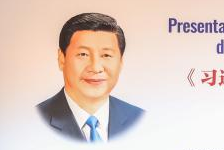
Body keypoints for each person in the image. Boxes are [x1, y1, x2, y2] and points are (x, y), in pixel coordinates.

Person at [37, 12, 144, 141]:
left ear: (121, 62)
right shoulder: (35, 120)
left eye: (106, 55)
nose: (95, 68)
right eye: (83, 54)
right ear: (62, 59)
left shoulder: (140, 119)